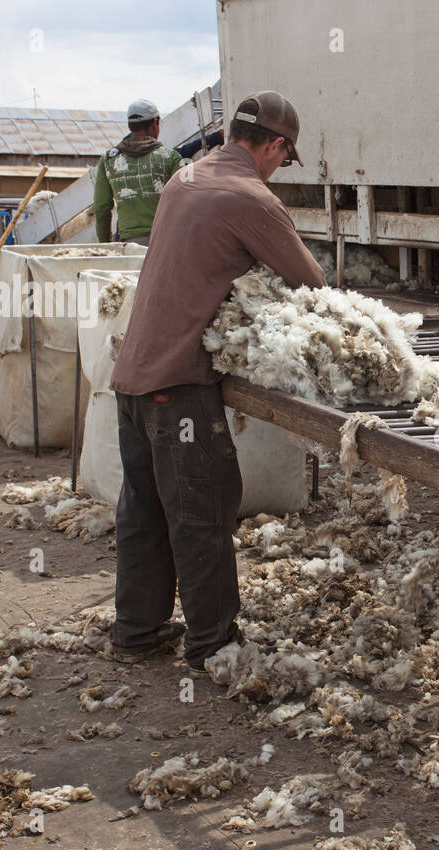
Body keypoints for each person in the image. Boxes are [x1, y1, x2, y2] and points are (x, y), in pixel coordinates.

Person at [108, 91, 325, 671]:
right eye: (284, 156)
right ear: (275, 145)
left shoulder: (183, 179)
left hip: (132, 379)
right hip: (177, 387)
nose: (280, 166)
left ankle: (136, 631)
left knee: (144, 511)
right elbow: (312, 283)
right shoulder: (250, 196)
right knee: (202, 510)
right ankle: (211, 643)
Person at [92, 99, 183, 245]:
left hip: (129, 243)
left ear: (130, 126)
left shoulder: (109, 160)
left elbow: (101, 207)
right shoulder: (170, 157)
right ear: (155, 123)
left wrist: (105, 244)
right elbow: (183, 201)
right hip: (165, 242)